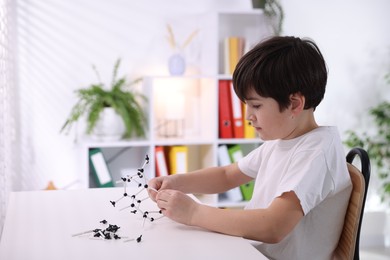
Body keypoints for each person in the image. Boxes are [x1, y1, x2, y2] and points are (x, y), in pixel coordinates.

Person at [147, 36, 352, 259]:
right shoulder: (281, 141)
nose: (247, 116)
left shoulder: (316, 152)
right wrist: (177, 182)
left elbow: (274, 227)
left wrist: (194, 212)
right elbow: (227, 175)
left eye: (256, 105)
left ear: (294, 104)